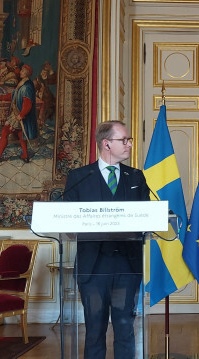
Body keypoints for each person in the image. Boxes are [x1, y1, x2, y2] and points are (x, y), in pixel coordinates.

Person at [63, 121, 149, 359]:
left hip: (126, 266)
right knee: (94, 330)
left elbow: (146, 217)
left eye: (129, 140)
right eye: (124, 140)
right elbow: (67, 221)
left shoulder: (136, 177)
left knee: (124, 327)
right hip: (93, 268)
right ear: (106, 144)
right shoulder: (79, 177)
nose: (129, 144)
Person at [0, 64, 37, 163]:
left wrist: (21, 115)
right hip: (18, 114)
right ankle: (25, 155)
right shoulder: (22, 83)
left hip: (19, 115)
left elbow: (28, 104)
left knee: (4, 132)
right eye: (21, 71)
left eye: (23, 71)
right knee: (20, 134)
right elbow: (13, 95)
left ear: (27, 74)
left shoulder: (27, 87)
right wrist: (1, 98)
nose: (20, 72)